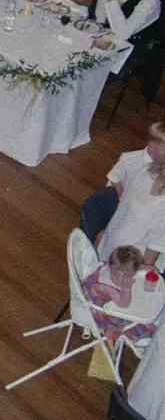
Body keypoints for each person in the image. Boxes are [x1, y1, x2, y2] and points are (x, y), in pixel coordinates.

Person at [96, 123, 165, 265]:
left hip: (112, 242)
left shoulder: (145, 171)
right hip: (125, 261)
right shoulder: (160, 205)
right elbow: (149, 260)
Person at [82, 245, 160, 342]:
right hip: (104, 308)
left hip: (119, 298)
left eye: (126, 275)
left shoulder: (119, 267)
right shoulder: (105, 283)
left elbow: (134, 267)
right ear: (110, 267)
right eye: (116, 274)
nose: (120, 279)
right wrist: (126, 289)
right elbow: (123, 304)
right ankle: (118, 329)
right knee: (142, 325)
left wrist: (147, 268)